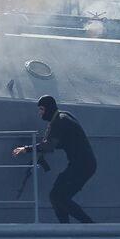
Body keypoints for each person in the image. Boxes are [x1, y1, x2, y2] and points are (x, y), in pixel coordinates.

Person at [13, 95, 97, 224]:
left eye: (41, 109)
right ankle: (66, 228)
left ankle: (90, 226)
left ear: (49, 108)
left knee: (60, 198)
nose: (40, 113)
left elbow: (49, 145)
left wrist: (27, 148)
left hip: (82, 166)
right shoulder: (64, 116)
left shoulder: (60, 120)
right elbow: (63, 142)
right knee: (57, 196)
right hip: (81, 164)